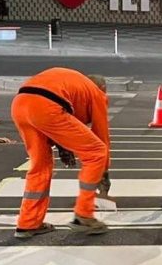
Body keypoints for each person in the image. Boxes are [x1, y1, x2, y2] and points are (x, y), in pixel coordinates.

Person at [11, 68, 111, 238]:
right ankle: (84, 215)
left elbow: (67, 121)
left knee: (40, 165)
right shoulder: (96, 93)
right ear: (102, 88)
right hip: (47, 106)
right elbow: (101, 133)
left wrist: (64, 146)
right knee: (96, 152)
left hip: (20, 105)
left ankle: (28, 223)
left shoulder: (74, 83)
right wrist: (104, 171)